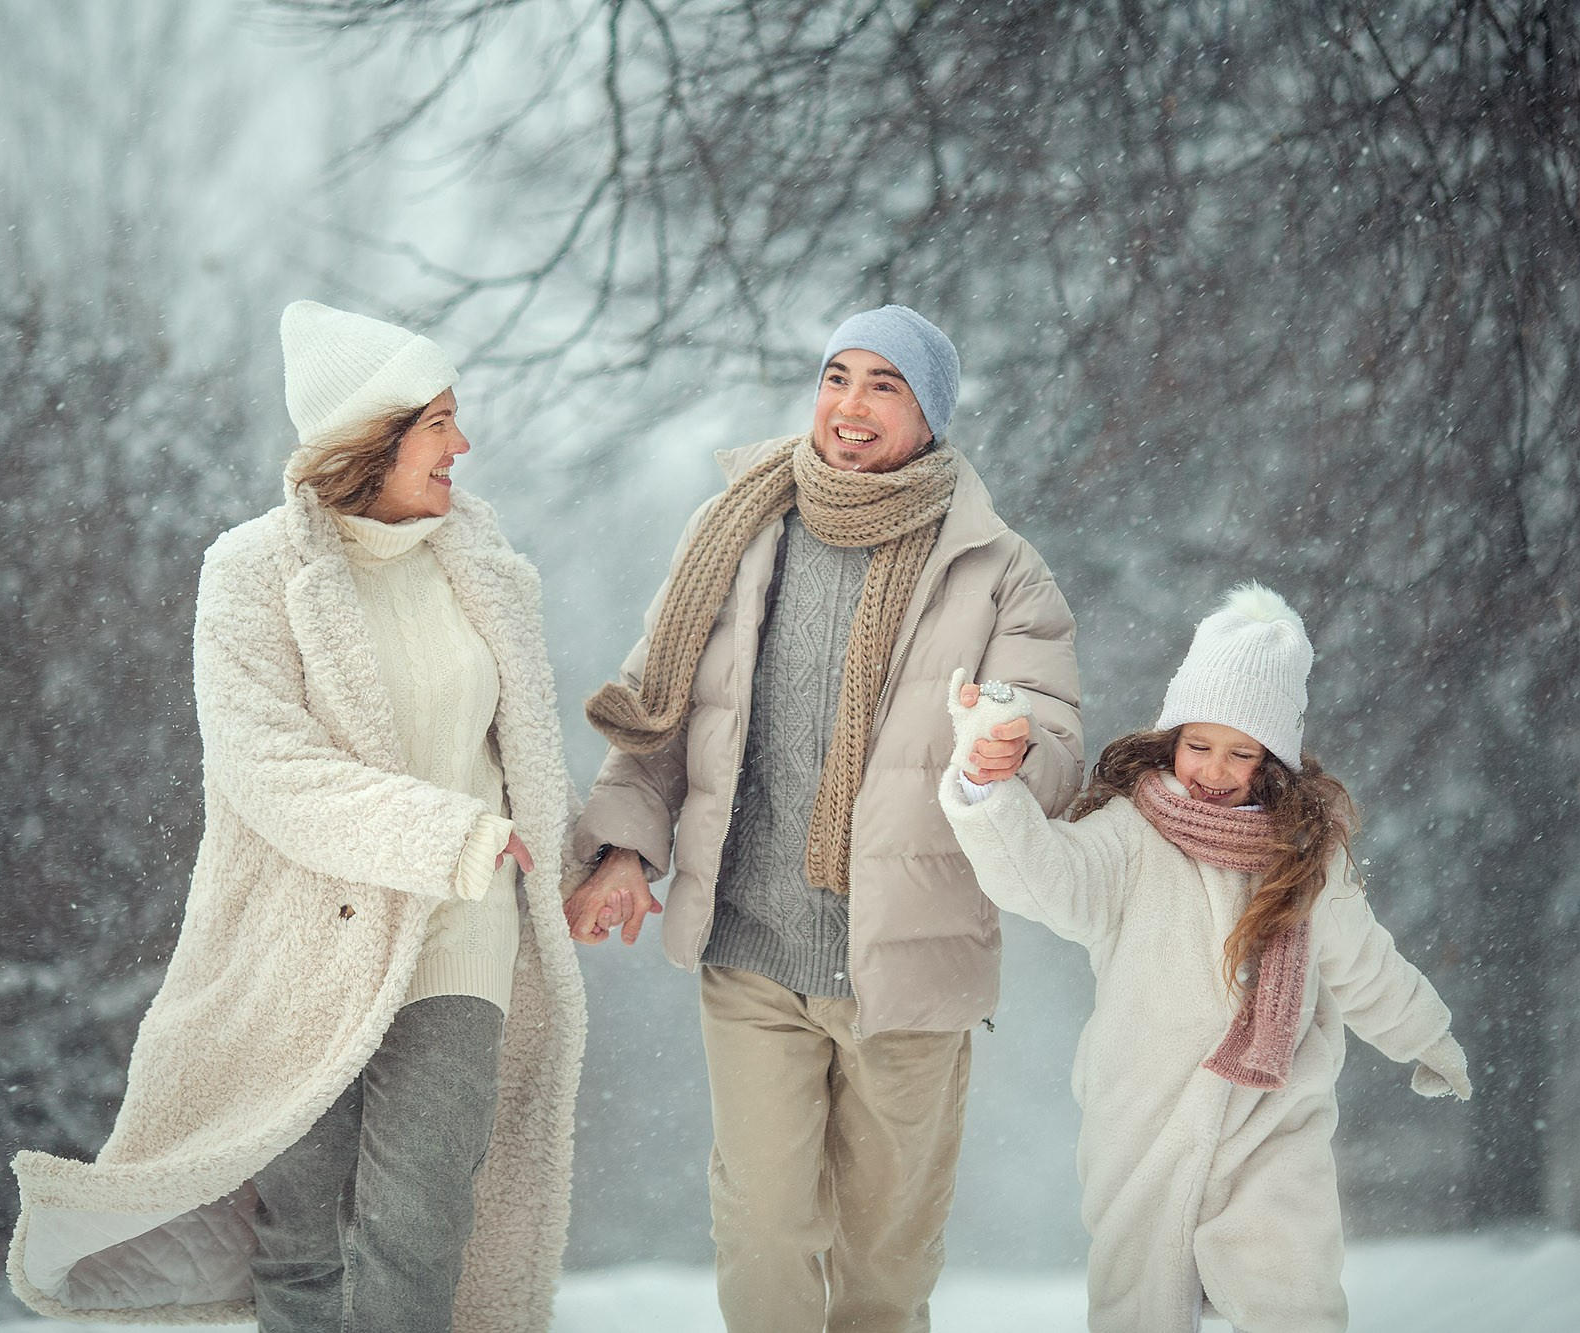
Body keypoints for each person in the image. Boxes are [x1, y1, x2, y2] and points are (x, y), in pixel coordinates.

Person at [7, 301, 586, 1333]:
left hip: (467, 928)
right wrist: (444, 835)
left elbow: (526, 760)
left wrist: (586, 861)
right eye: (440, 422)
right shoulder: (252, 571)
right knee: (298, 1233)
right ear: (374, 436)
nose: (464, 444)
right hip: (307, 943)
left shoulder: (487, 569)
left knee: (422, 1224)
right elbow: (268, 766)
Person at [563, 304, 1085, 1333]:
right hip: (752, 952)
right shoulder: (739, 531)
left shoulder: (997, 569)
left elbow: (1056, 741)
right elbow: (661, 709)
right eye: (835, 376)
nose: (848, 406)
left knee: (884, 1267)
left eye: (883, 385)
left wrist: (1012, 747)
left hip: (910, 971)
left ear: (929, 414)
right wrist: (623, 845)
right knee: (763, 1235)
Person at [940, 583, 1472, 1333]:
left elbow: (1364, 963)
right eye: (1199, 744)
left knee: (1292, 1293)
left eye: (1240, 752)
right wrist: (986, 789)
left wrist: (1426, 1036)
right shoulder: (1129, 834)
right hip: (1145, 1114)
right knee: (1140, 1307)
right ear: (1171, 736)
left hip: (1273, 1115)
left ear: (1273, 762)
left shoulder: (1308, 858)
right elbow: (1047, 877)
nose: (1214, 770)